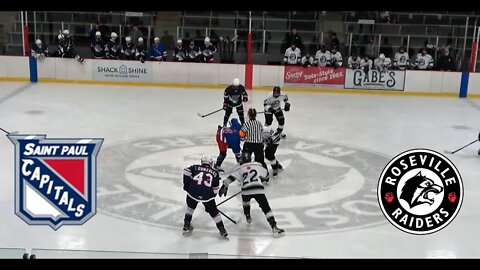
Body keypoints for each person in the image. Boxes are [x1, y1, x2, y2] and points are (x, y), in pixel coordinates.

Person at [219, 152, 285, 237]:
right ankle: (274, 227)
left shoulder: (239, 168)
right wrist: (260, 178)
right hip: (258, 189)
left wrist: (225, 186)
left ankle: (247, 215)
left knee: (246, 203)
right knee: (266, 208)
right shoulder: (258, 166)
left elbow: (230, 179)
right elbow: (266, 176)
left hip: (246, 190)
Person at [182, 155, 228, 239]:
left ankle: (186, 224)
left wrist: (187, 185)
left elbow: (186, 171)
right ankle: (222, 229)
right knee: (214, 213)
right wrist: (210, 200)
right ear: (210, 163)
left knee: (190, 208)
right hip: (207, 196)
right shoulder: (215, 172)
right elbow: (215, 189)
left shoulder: (195, 167)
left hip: (193, 193)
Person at [240, 108, 269, 181]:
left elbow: (241, 134)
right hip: (258, 145)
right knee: (260, 161)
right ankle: (265, 176)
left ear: (248, 115)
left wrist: (243, 139)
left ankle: (243, 176)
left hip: (248, 144)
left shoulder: (246, 124)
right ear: (256, 115)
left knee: (245, 161)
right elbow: (262, 132)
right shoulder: (259, 123)